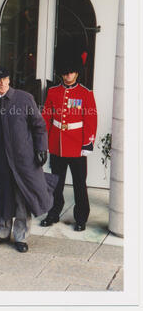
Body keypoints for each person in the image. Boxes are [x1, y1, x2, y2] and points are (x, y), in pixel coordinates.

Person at [0, 66, 58, 253]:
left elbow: (39, 126)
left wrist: (41, 149)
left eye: (5, 79)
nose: (2, 83)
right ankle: (3, 231)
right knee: (2, 197)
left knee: (22, 198)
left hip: (24, 160)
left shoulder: (24, 98)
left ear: (9, 79)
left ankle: (21, 236)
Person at [41, 34, 97, 231]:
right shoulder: (53, 92)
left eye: (71, 72)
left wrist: (87, 143)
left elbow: (90, 119)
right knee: (55, 182)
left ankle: (81, 218)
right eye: (65, 73)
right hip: (57, 143)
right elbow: (46, 117)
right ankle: (54, 212)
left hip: (77, 145)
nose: (68, 76)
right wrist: (44, 142)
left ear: (77, 72)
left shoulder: (85, 93)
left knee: (80, 184)